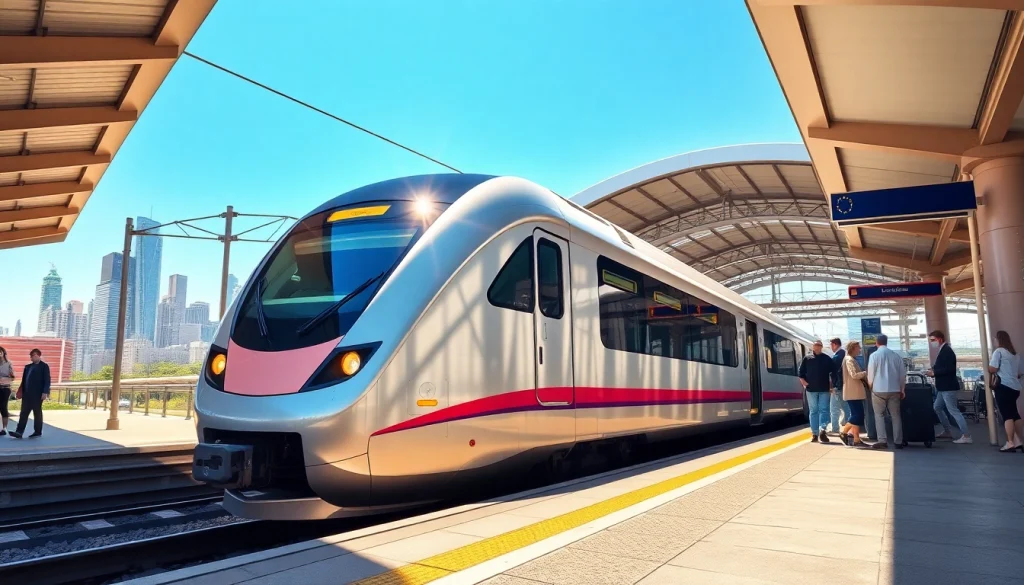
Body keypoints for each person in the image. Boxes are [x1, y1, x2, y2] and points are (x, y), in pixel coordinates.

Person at [926, 330, 971, 444]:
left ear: (939, 339)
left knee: (953, 410)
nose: (931, 342)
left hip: (948, 387)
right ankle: (947, 431)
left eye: (932, 340)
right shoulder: (943, 350)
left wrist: (935, 373)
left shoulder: (947, 351)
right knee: (937, 407)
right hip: (943, 387)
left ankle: (966, 435)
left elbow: (950, 369)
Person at [867, 334, 905, 450]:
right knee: (896, 416)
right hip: (894, 390)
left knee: (879, 415)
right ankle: (898, 441)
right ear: (886, 342)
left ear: (876, 343)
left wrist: (871, 386)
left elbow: (870, 374)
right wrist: (902, 389)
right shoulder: (896, 356)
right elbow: (902, 375)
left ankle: (882, 441)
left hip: (878, 391)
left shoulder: (874, 356)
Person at [988, 330, 1023, 453]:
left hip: (1003, 387)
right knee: (1015, 414)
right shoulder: (1015, 354)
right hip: (1015, 388)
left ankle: (1010, 442)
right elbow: (1019, 373)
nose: (994, 341)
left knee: (1007, 415)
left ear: (999, 340)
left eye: (995, 339)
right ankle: (1019, 440)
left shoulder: (999, 352)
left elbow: (993, 368)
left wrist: (989, 367)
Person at [10, 348, 50, 439]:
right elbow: (24, 381)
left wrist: (45, 392)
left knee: (37, 413)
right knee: (23, 413)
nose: (31, 358)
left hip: (38, 394)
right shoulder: (27, 367)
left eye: (32, 356)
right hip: (27, 394)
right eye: (30, 356)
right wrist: (20, 391)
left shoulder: (44, 366)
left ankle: (37, 431)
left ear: (37, 355)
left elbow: (47, 380)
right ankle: (19, 432)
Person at [799, 340, 833, 443]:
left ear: (822, 347)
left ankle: (822, 430)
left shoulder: (827, 358)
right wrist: (805, 383)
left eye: (819, 345)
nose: (817, 347)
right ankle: (814, 433)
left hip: (824, 389)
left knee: (824, 410)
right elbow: (801, 373)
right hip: (811, 390)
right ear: (813, 347)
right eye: (815, 345)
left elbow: (832, 373)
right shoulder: (807, 358)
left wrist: (832, 386)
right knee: (813, 411)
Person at [840, 341, 869, 447]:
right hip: (852, 392)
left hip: (854, 392)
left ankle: (856, 439)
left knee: (856, 415)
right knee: (858, 415)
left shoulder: (851, 359)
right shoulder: (849, 360)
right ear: (852, 348)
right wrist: (866, 372)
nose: (859, 349)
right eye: (858, 348)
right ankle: (843, 432)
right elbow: (854, 375)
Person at [829, 338, 851, 435]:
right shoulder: (844, 355)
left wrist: (833, 386)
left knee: (834, 408)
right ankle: (849, 426)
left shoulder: (837, 357)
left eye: (831, 345)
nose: (830, 347)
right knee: (845, 407)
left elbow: (834, 373)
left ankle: (835, 429)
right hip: (843, 385)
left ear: (835, 344)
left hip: (837, 386)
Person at [0, 346, 13, 436]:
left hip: (5, 388)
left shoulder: (8, 363)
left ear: (4, 353)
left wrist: (3, 378)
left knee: (3, 408)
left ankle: (4, 429)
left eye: (0, 352)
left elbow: (13, 377)